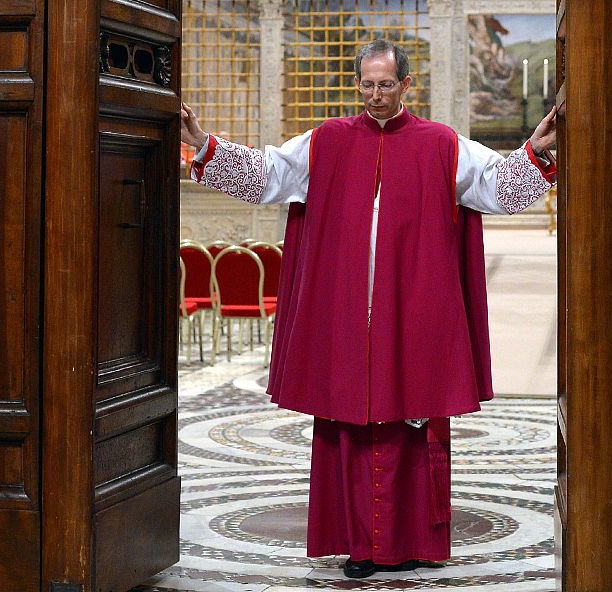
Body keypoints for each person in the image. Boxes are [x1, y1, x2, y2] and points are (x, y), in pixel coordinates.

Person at [180, 39, 557, 579]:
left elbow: (494, 185)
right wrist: (205, 144)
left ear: (407, 85)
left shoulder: (442, 144)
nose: (375, 95)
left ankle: (409, 543)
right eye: (367, 85)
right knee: (350, 428)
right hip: (345, 316)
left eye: (386, 85)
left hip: (415, 313)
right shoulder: (326, 141)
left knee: (412, 422)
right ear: (358, 84)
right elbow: (267, 175)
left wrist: (535, 154)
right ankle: (357, 542)